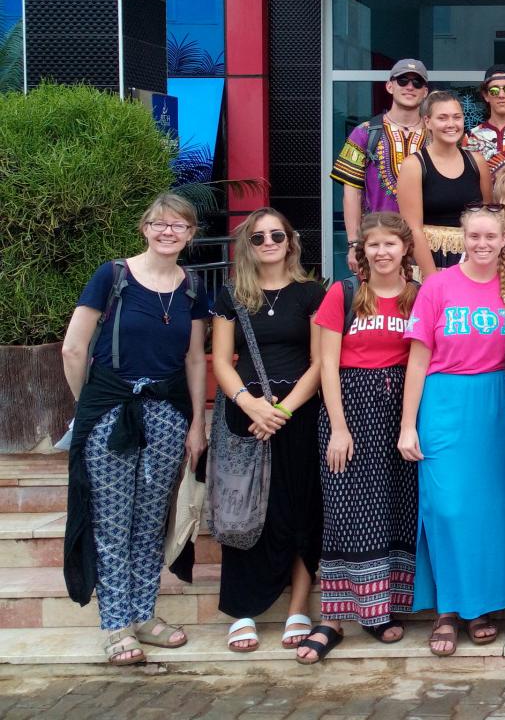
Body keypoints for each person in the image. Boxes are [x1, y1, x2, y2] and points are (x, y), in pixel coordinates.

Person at [60, 193, 209, 665]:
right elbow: (73, 348)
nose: (169, 232)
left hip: (166, 412)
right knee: (111, 519)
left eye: (179, 225)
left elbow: (193, 357)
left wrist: (197, 423)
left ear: (190, 234)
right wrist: (91, 406)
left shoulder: (193, 287)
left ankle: (144, 614)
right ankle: (116, 625)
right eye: (160, 224)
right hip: (111, 409)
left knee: (149, 520)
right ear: (145, 228)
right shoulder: (114, 276)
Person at [398, 205, 505, 655]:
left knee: (491, 512)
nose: (483, 244)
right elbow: (417, 359)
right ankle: (447, 609)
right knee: (446, 507)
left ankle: (481, 607)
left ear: (504, 240)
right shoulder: (437, 286)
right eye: (475, 236)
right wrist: (407, 425)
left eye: (491, 237)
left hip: (499, 410)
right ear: (462, 239)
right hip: (445, 404)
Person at [304, 212, 420, 662]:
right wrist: (337, 425)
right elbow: (327, 364)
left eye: (391, 244)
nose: (382, 252)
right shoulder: (346, 293)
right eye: (374, 245)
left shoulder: (417, 296)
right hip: (350, 408)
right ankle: (333, 616)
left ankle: (382, 609)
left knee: (394, 506)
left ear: (405, 248)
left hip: (399, 410)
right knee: (346, 507)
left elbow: (420, 359)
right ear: (362, 252)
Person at [211, 209, 324, 655]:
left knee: (300, 509)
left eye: (278, 234)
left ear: (291, 240)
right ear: (248, 246)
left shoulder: (312, 293)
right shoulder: (231, 296)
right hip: (246, 414)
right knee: (244, 511)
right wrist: (251, 404)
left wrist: (283, 410)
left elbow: (320, 362)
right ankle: (242, 611)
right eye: (258, 237)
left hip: (296, 413)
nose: (269, 242)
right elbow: (221, 359)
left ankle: (299, 605)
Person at [332, 58, 428, 273]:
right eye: (403, 80)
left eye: (417, 82)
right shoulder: (364, 133)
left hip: (427, 244)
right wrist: (354, 243)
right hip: (378, 244)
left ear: (425, 92)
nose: (410, 87)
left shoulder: (436, 134)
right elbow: (352, 192)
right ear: (389, 86)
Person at [397, 90, 489, 276]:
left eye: (457, 117)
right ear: (427, 121)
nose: (451, 124)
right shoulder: (414, 165)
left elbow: (488, 219)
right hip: (427, 263)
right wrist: (433, 280)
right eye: (443, 118)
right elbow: (413, 228)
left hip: (472, 262)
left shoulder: (477, 162)